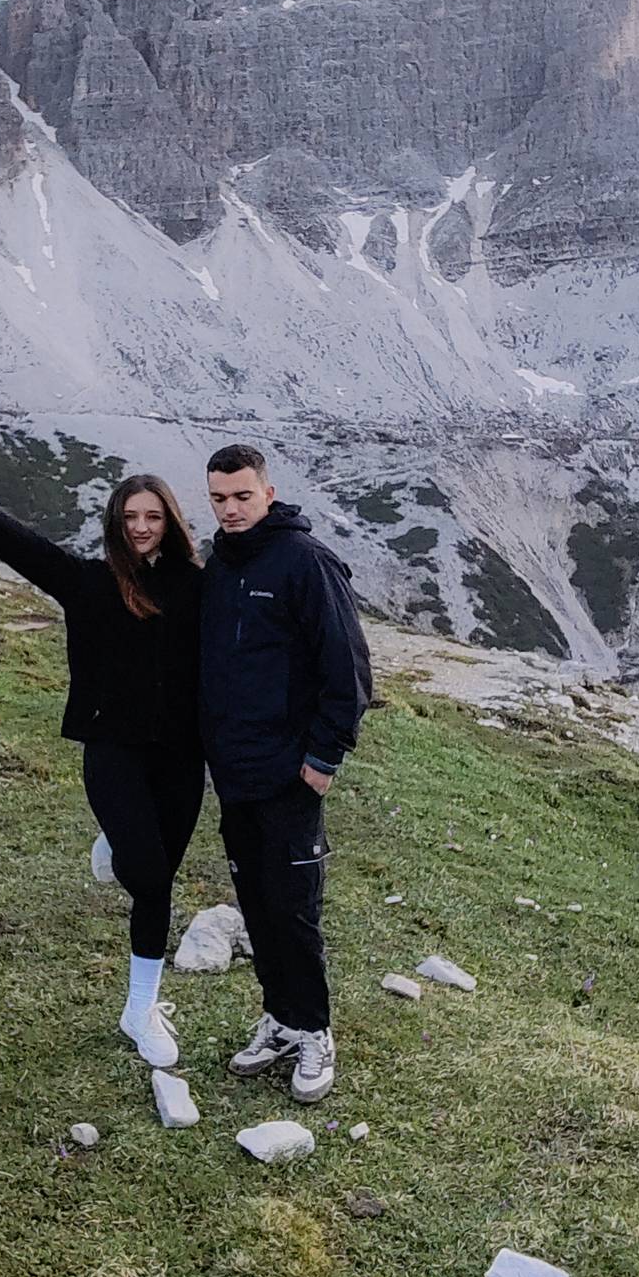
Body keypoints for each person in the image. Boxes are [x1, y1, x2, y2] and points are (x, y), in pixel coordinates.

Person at [0, 454, 201, 1068]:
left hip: (183, 757)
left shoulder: (198, 586)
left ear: (172, 522)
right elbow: (9, 538)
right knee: (150, 877)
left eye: (153, 516)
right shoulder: (87, 582)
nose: (141, 526)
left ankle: (137, 998)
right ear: (114, 521)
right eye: (130, 516)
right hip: (113, 752)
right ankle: (140, 1006)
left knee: (158, 882)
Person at [197, 442, 374, 1105]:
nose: (231, 509)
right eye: (219, 498)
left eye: (243, 496)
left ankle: (315, 1032)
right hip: (235, 774)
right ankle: (280, 1018)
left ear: (268, 493)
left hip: (290, 775)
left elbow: (348, 671)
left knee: (295, 909)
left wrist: (323, 761)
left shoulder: (305, 562)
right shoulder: (219, 566)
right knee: (258, 904)